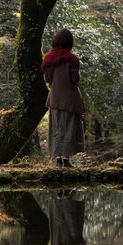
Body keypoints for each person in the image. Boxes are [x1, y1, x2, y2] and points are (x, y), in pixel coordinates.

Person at [42, 28, 85, 168]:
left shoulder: (48, 58)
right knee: (69, 128)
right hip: (70, 99)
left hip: (54, 99)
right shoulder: (71, 59)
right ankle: (66, 159)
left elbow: (47, 78)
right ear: (69, 42)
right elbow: (75, 79)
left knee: (56, 129)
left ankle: (58, 159)